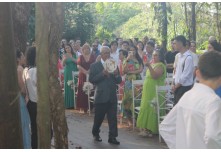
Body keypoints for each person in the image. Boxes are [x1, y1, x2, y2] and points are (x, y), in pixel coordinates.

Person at [159, 51, 221, 149]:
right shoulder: (213, 101)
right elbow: (212, 136)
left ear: (197, 73)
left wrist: (180, 146)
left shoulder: (187, 95)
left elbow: (165, 127)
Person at [89, 46, 122, 145]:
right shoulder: (94, 66)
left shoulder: (113, 64)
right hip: (101, 96)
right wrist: (102, 74)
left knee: (112, 118)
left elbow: (119, 81)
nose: (107, 55)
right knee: (98, 119)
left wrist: (116, 74)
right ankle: (95, 133)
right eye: (105, 53)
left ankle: (112, 137)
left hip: (112, 96)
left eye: (109, 53)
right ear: (101, 54)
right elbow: (92, 80)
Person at [136, 50, 166, 137]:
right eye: (153, 55)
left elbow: (155, 76)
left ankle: (151, 129)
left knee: (152, 108)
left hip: (155, 91)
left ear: (160, 56)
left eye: (156, 55)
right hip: (148, 90)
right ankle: (145, 128)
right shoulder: (152, 64)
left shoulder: (160, 65)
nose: (154, 57)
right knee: (146, 107)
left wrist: (149, 66)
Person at [122, 46, 143, 129]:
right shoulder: (126, 60)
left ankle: (137, 119)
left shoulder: (139, 59)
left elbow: (141, 69)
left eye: (133, 50)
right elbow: (124, 71)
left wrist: (131, 71)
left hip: (137, 81)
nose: (132, 52)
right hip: (129, 82)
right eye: (130, 50)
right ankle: (129, 119)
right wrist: (127, 60)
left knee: (137, 99)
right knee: (127, 100)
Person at [23, 47, 37, 148]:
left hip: (31, 103)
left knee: (34, 129)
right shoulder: (35, 71)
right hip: (38, 103)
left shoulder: (25, 70)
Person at [172, 35, 194, 105]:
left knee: (182, 110)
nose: (173, 45)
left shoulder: (188, 58)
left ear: (180, 43)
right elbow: (176, 71)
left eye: (175, 43)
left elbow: (185, 75)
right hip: (177, 87)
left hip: (184, 88)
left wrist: (176, 86)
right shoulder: (178, 56)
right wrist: (173, 83)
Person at [16, 49, 31, 149]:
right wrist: (27, 94)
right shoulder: (19, 69)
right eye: (22, 56)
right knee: (24, 123)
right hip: (20, 99)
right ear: (18, 58)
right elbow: (22, 88)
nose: (24, 58)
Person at [76, 43, 96, 113]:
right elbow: (78, 66)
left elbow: (95, 64)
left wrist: (89, 71)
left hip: (91, 75)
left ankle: (90, 107)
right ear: (83, 49)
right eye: (84, 48)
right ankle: (82, 107)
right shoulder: (80, 56)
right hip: (82, 75)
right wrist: (85, 72)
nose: (86, 49)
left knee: (91, 90)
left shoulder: (93, 56)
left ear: (89, 49)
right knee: (82, 90)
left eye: (87, 48)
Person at [62, 44, 78, 109]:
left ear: (71, 47)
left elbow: (77, 62)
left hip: (74, 70)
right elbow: (63, 64)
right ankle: (68, 104)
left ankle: (74, 103)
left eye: (68, 47)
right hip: (68, 71)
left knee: (74, 86)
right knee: (68, 86)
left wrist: (71, 58)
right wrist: (65, 59)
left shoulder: (75, 54)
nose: (67, 49)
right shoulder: (64, 55)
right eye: (66, 48)